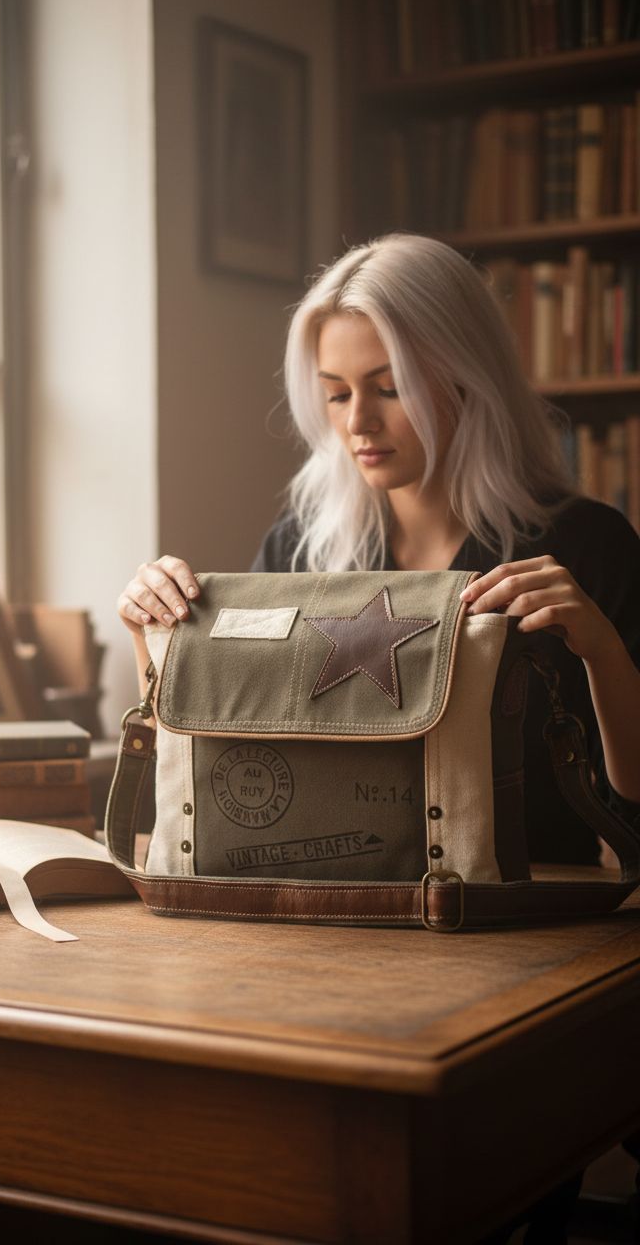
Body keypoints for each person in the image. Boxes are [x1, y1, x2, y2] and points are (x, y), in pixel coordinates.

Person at [117, 232, 640, 1241]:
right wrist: (157, 642)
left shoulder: (583, 544)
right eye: (335, 390)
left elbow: (636, 811)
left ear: (465, 375)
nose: (355, 422)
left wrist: (600, 650)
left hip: (524, 966)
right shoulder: (305, 548)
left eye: (387, 386)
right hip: (322, 947)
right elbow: (243, 760)